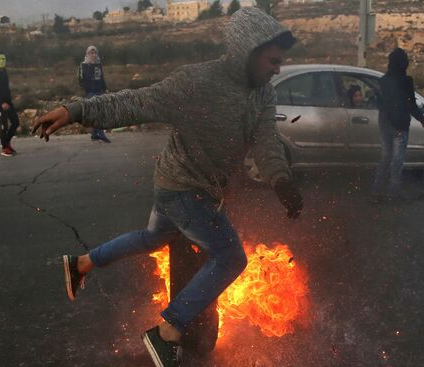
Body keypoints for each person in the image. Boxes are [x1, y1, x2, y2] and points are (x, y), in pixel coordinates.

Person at [33, 8, 303, 367]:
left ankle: (81, 264)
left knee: (152, 239)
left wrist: (281, 180)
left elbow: (266, 141)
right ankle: (167, 331)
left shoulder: (262, 94)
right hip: (182, 187)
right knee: (231, 257)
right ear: (247, 51)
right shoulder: (196, 82)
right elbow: (135, 102)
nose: (276, 69)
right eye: (272, 60)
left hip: (198, 189)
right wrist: (76, 110)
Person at [373, 48, 424, 199]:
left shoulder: (382, 80)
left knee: (386, 156)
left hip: (385, 122)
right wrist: (422, 119)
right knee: (397, 159)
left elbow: (379, 102)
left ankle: (377, 188)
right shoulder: (406, 81)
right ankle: (393, 191)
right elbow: (410, 103)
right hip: (400, 124)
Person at [0, 51, 20, 156]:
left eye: (3, 59)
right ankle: (5, 148)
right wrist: (1, 102)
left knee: (15, 122)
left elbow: (6, 88)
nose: (1, 61)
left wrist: (8, 100)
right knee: (4, 125)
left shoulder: (4, 72)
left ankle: (6, 143)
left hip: (8, 102)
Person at [78, 45, 110, 143]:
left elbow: (101, 77)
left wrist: (105, 88)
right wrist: (86, 88)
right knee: (97, 112)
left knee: (98, 112)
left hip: (99, 90)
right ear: (87, 54)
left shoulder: (98, 64)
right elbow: (80, 78)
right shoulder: (83, 65)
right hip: (90, 92)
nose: (93, 55)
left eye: (95, 52)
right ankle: (101, 134)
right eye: (91, 53)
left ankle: (94, 134)